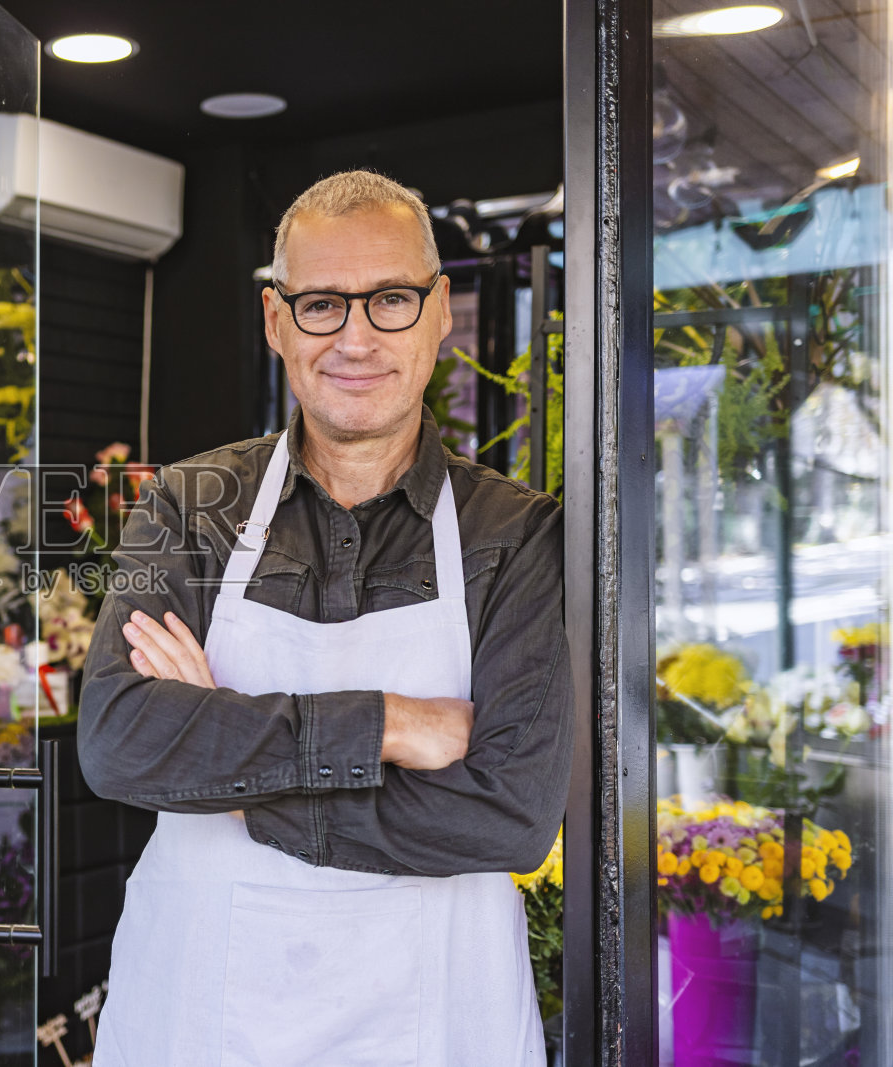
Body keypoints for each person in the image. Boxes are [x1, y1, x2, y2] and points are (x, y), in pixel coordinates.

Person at [77, 169, 571, 1066]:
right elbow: (118, 741)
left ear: (439, 312)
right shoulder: (192, 505)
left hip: (441, 1027)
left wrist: (236, 779)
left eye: (389, 299)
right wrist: (390, 723)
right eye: (320, 306)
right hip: (199, 1023)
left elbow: (510, 815)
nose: (356, 337)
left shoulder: (517, 533)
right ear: (276, 321)